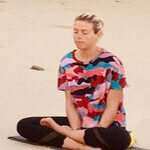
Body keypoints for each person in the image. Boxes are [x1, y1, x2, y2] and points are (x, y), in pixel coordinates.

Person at [17, 13, 135, 150]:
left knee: (121, 138)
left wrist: (93, 133)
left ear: (98, 35)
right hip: (80, 122)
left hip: (107, 127)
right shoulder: (67, 61)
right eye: (75, 31)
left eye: (84, 32)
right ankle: (85, 147)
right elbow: (70, 101)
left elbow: (112, 107)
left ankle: (64, 133)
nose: (78, 36)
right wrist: (76, 129)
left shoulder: (112, 63)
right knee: (24, 125)